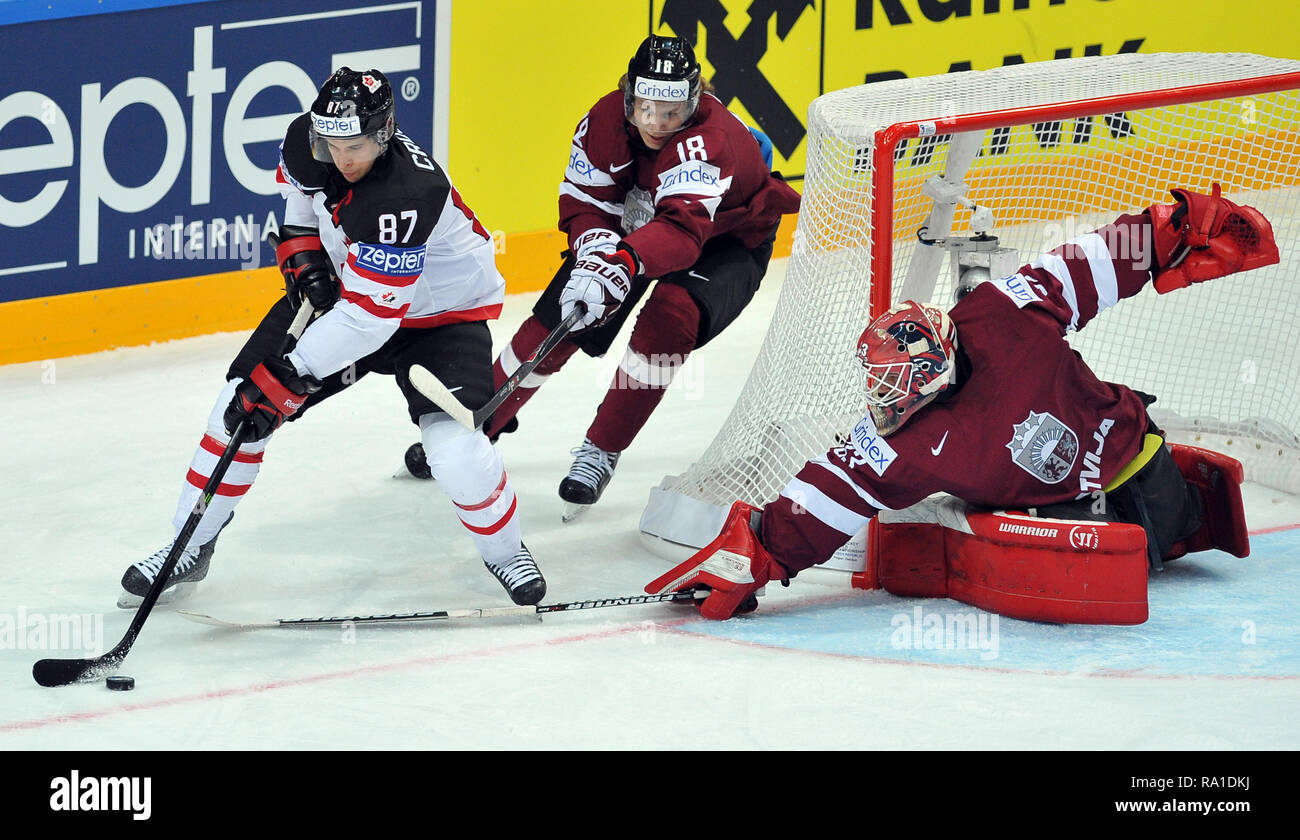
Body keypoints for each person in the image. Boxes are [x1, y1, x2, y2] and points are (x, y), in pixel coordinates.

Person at [646, 184, 1280, 620]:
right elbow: (831, 487)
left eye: (896, 389)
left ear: (933, 371)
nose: (884, 404)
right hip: (1070, 523)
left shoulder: (997, 314)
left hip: (1144, 480)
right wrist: (759, 550)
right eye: (879, 387)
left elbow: (1085, 266)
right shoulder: (898, 444)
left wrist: (1172, 232)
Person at [118, 68, 546, 609]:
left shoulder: (407, 194)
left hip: (439, 318)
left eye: (357, 144)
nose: (342, 156)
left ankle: (507, 552)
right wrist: (303, 254)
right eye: (332, 143)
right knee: (237, 409)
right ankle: (187, 545)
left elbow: (371, 321)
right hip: (348, 293)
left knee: (455, 449)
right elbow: (300, 205)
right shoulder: (306, 141)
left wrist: (291, 374)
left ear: (385, 132)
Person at [418, 34, 800, 521]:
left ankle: (602, 449)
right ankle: (484, 418)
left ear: (695, 99)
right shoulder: (601, 121)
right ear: (627, 96)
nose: (657, 124)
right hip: (636, 225)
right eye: (645, 109)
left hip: (727, 240)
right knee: (566, 311)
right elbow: (586, 202)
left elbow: (681, 233)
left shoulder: (710, 141)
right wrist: (596, 253)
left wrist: (619, 264)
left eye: (672, 112)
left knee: (671, 318)